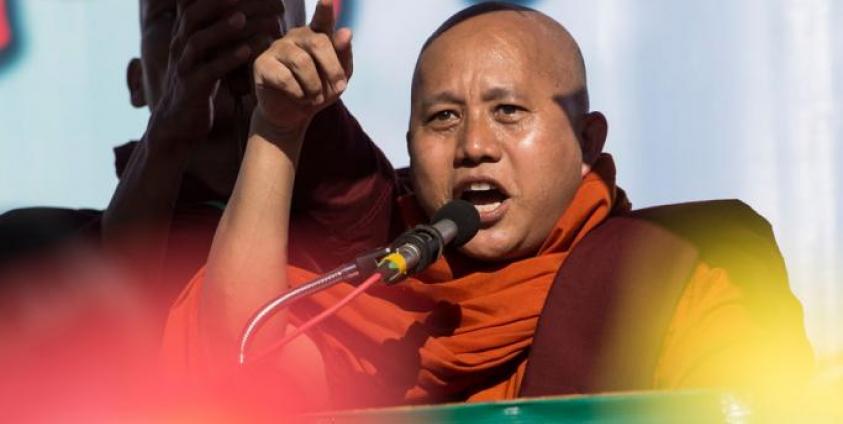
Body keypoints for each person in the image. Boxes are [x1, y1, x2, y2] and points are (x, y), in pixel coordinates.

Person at [163, 1, 813, 411]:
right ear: (410, 149)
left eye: (508, 112)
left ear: (587, 142)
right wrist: (278, 130)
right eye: (443, 119)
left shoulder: (672, 280)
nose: (474, 146)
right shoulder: (380, 299)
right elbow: (237, 367)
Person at [0, 0, 396, 323]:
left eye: (254, 6)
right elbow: (105, 310)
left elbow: (365, 224)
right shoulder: (31, 247)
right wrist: (169, 131)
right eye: (172, 14)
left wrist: (308, 102)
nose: (214, 28)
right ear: (137, 82)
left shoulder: (380, 206)